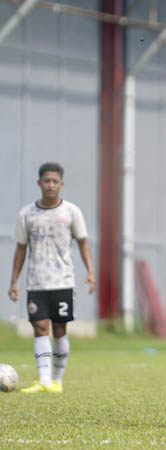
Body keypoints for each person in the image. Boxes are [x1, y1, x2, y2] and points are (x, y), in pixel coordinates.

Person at [8, 162, 96, 393]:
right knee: (39, 327)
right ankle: (44, 380)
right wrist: (14, 280)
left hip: (63, 280)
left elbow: (83, 242)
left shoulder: (71, 212)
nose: (50, 185)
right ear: (39, 183)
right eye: (46, 181)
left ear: (61, 184)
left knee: (59, 329)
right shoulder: (26, 214)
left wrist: (90, 271)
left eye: (54, 181)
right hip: (36, 281)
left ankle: (57, 380)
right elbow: (20, 248)